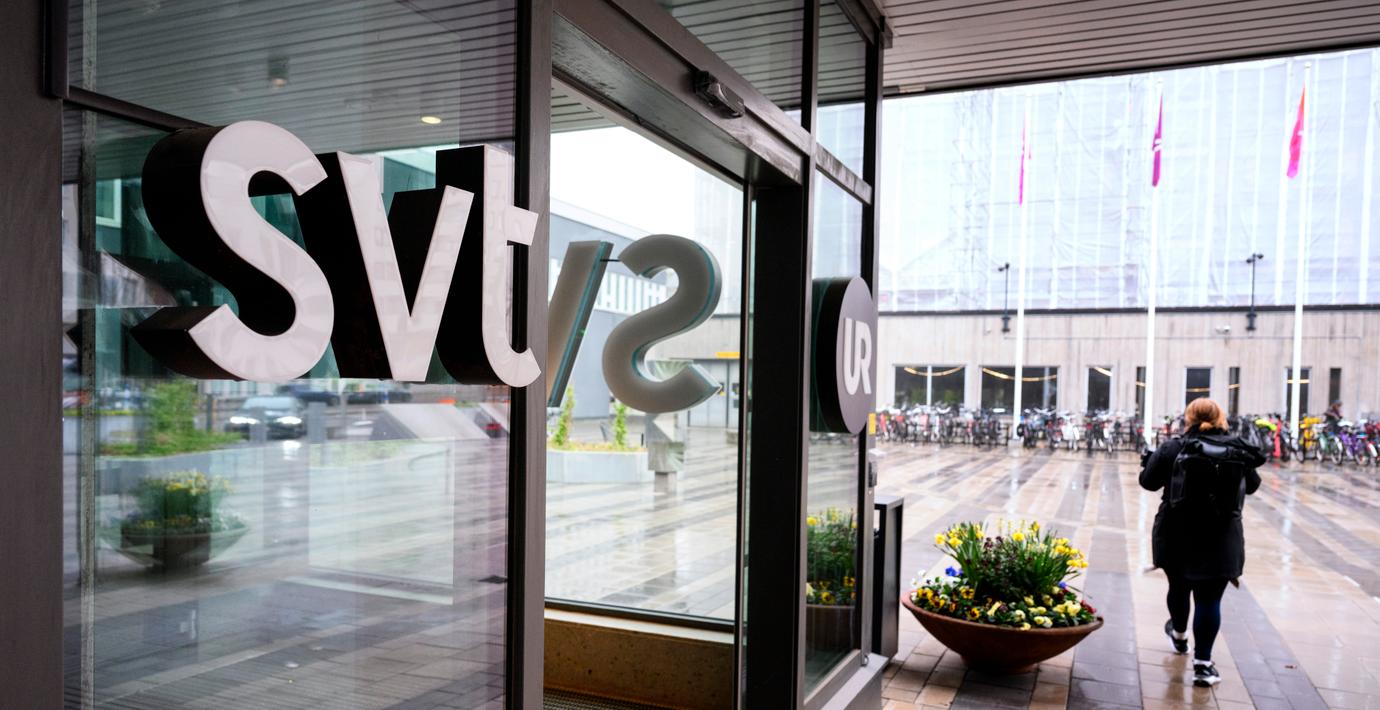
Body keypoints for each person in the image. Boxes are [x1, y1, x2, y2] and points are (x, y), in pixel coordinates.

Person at [1139, 398, 1264, 687]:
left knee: (1179, 587)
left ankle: (1179, 635)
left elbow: (1148, 481)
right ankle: (1203, 666)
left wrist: (1150, 462)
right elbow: (1253, 486)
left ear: (1188, 418)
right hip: (1222, 535)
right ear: (1221, 418)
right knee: (1209, 599)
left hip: (1176, 531)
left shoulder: (1174, 447)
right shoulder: (1236, 449)